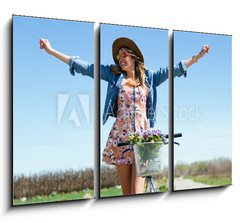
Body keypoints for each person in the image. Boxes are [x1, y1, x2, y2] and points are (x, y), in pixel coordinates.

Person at [40, 37, 210, 195]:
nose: (120, 59)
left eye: (124, 54)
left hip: (143, 140)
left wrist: (198, 56)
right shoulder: (114, 76)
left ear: (134, 57)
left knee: (137, 193)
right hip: (120, 139)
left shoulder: (149, 77)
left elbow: (174, 69)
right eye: (118, 56)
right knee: (127, 194)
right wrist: (51, 51)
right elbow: (84, 67)